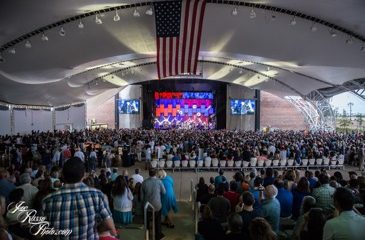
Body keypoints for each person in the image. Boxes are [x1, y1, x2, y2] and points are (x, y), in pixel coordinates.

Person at [42, 157, 117, 239]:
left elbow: (41, 232)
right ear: (84, 175)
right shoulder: (97, 196)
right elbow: (110, 227)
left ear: (62, 175)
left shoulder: (48, 200)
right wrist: (95, 230)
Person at [141, 168, 166, 240]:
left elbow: (142, 197)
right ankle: (158, 235)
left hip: (147, 206)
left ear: (149, 173)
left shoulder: (144, 182)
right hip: (157, 206)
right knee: (157, 221)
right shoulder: (159, 182)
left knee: (146, 221)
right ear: (155, 174)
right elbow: (164, 192)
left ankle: (146, 235)